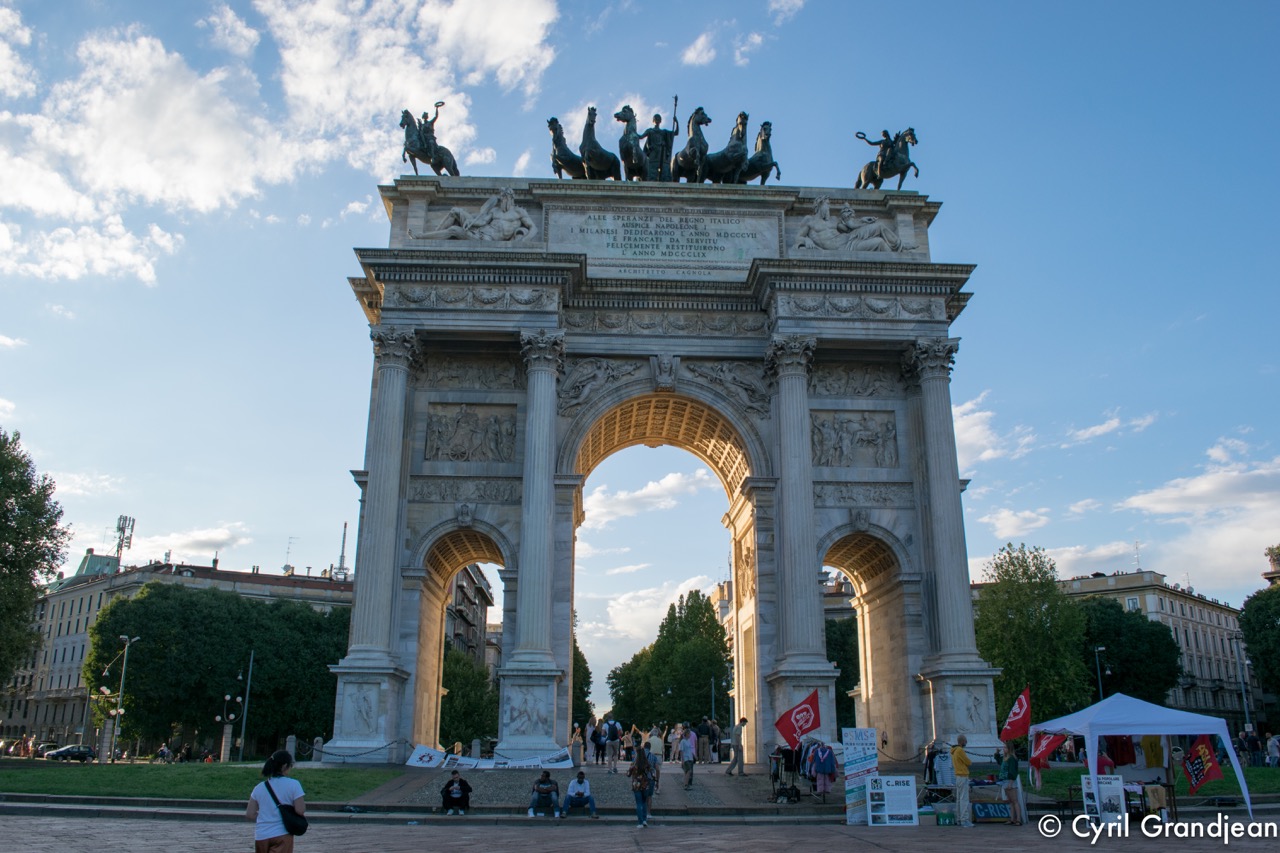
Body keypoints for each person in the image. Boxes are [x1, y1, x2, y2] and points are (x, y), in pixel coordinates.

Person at [246, 749, 305, 853]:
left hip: (261, 835)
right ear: (284, 766)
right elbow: (300, 810)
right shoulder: (294, 784)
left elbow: (250, 814)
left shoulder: (259, 787)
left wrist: (265, 816)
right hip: (282, 833)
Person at [627, 746, 655, 827]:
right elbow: (651, 773)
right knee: (644, 803)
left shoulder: (634, 764)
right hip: (645, 784)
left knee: (638, 803)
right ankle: (644, 820)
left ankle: (640, 821)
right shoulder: (647, 764)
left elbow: (628, 774)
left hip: (636, 785)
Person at [951, 734, 973, 828]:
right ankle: (964, 819)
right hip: (963, 775)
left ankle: (959, 819)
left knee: (959, 799)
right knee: (964, 799)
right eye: (965, 741)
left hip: (958, 776)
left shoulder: (954, 751)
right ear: (962, 741)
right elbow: (968, 762)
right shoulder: (960, 750)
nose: (966, 742)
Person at [999, 745, 1023, 826]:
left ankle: (1018, 819)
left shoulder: (1012, 758)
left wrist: (1011, 782)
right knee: (1010, 801)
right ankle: (1012, 818)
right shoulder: (1005, 758)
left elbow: (1013, 771)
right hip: (1004, 780)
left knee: (1015, 800)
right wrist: (996, 754)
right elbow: (1000, 762)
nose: (1003, 749)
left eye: (1005, 748)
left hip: (1010, 781)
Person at [679, 722, 698, 789]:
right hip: (687, 757)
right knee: (689, 770)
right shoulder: (684, 740)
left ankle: (686, 782)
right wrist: (682, 759)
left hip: (690, 755)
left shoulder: (686, 739)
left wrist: (694, 755)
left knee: (688, 770)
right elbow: (695, 744)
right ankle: (687, 783)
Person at [648, 725, 666, 793]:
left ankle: (650, 786)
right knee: (658, 772)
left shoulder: (649, 740)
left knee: (651, 771)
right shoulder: (660, 740)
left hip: (651, 756)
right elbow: (663, 750)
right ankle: (657, 786)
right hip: (659, 756)